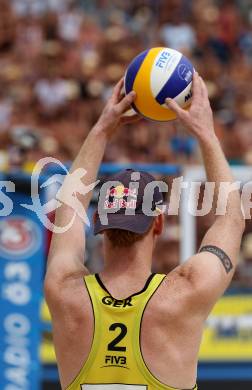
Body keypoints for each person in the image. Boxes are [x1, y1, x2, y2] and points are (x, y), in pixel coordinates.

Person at [44, 73, 245, 390]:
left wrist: (100, 130)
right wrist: (205, 132)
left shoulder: (66, 294)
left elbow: (68, 208)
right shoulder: (182, 294)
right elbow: (231, 219)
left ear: (100, 221)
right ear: (159, 222)